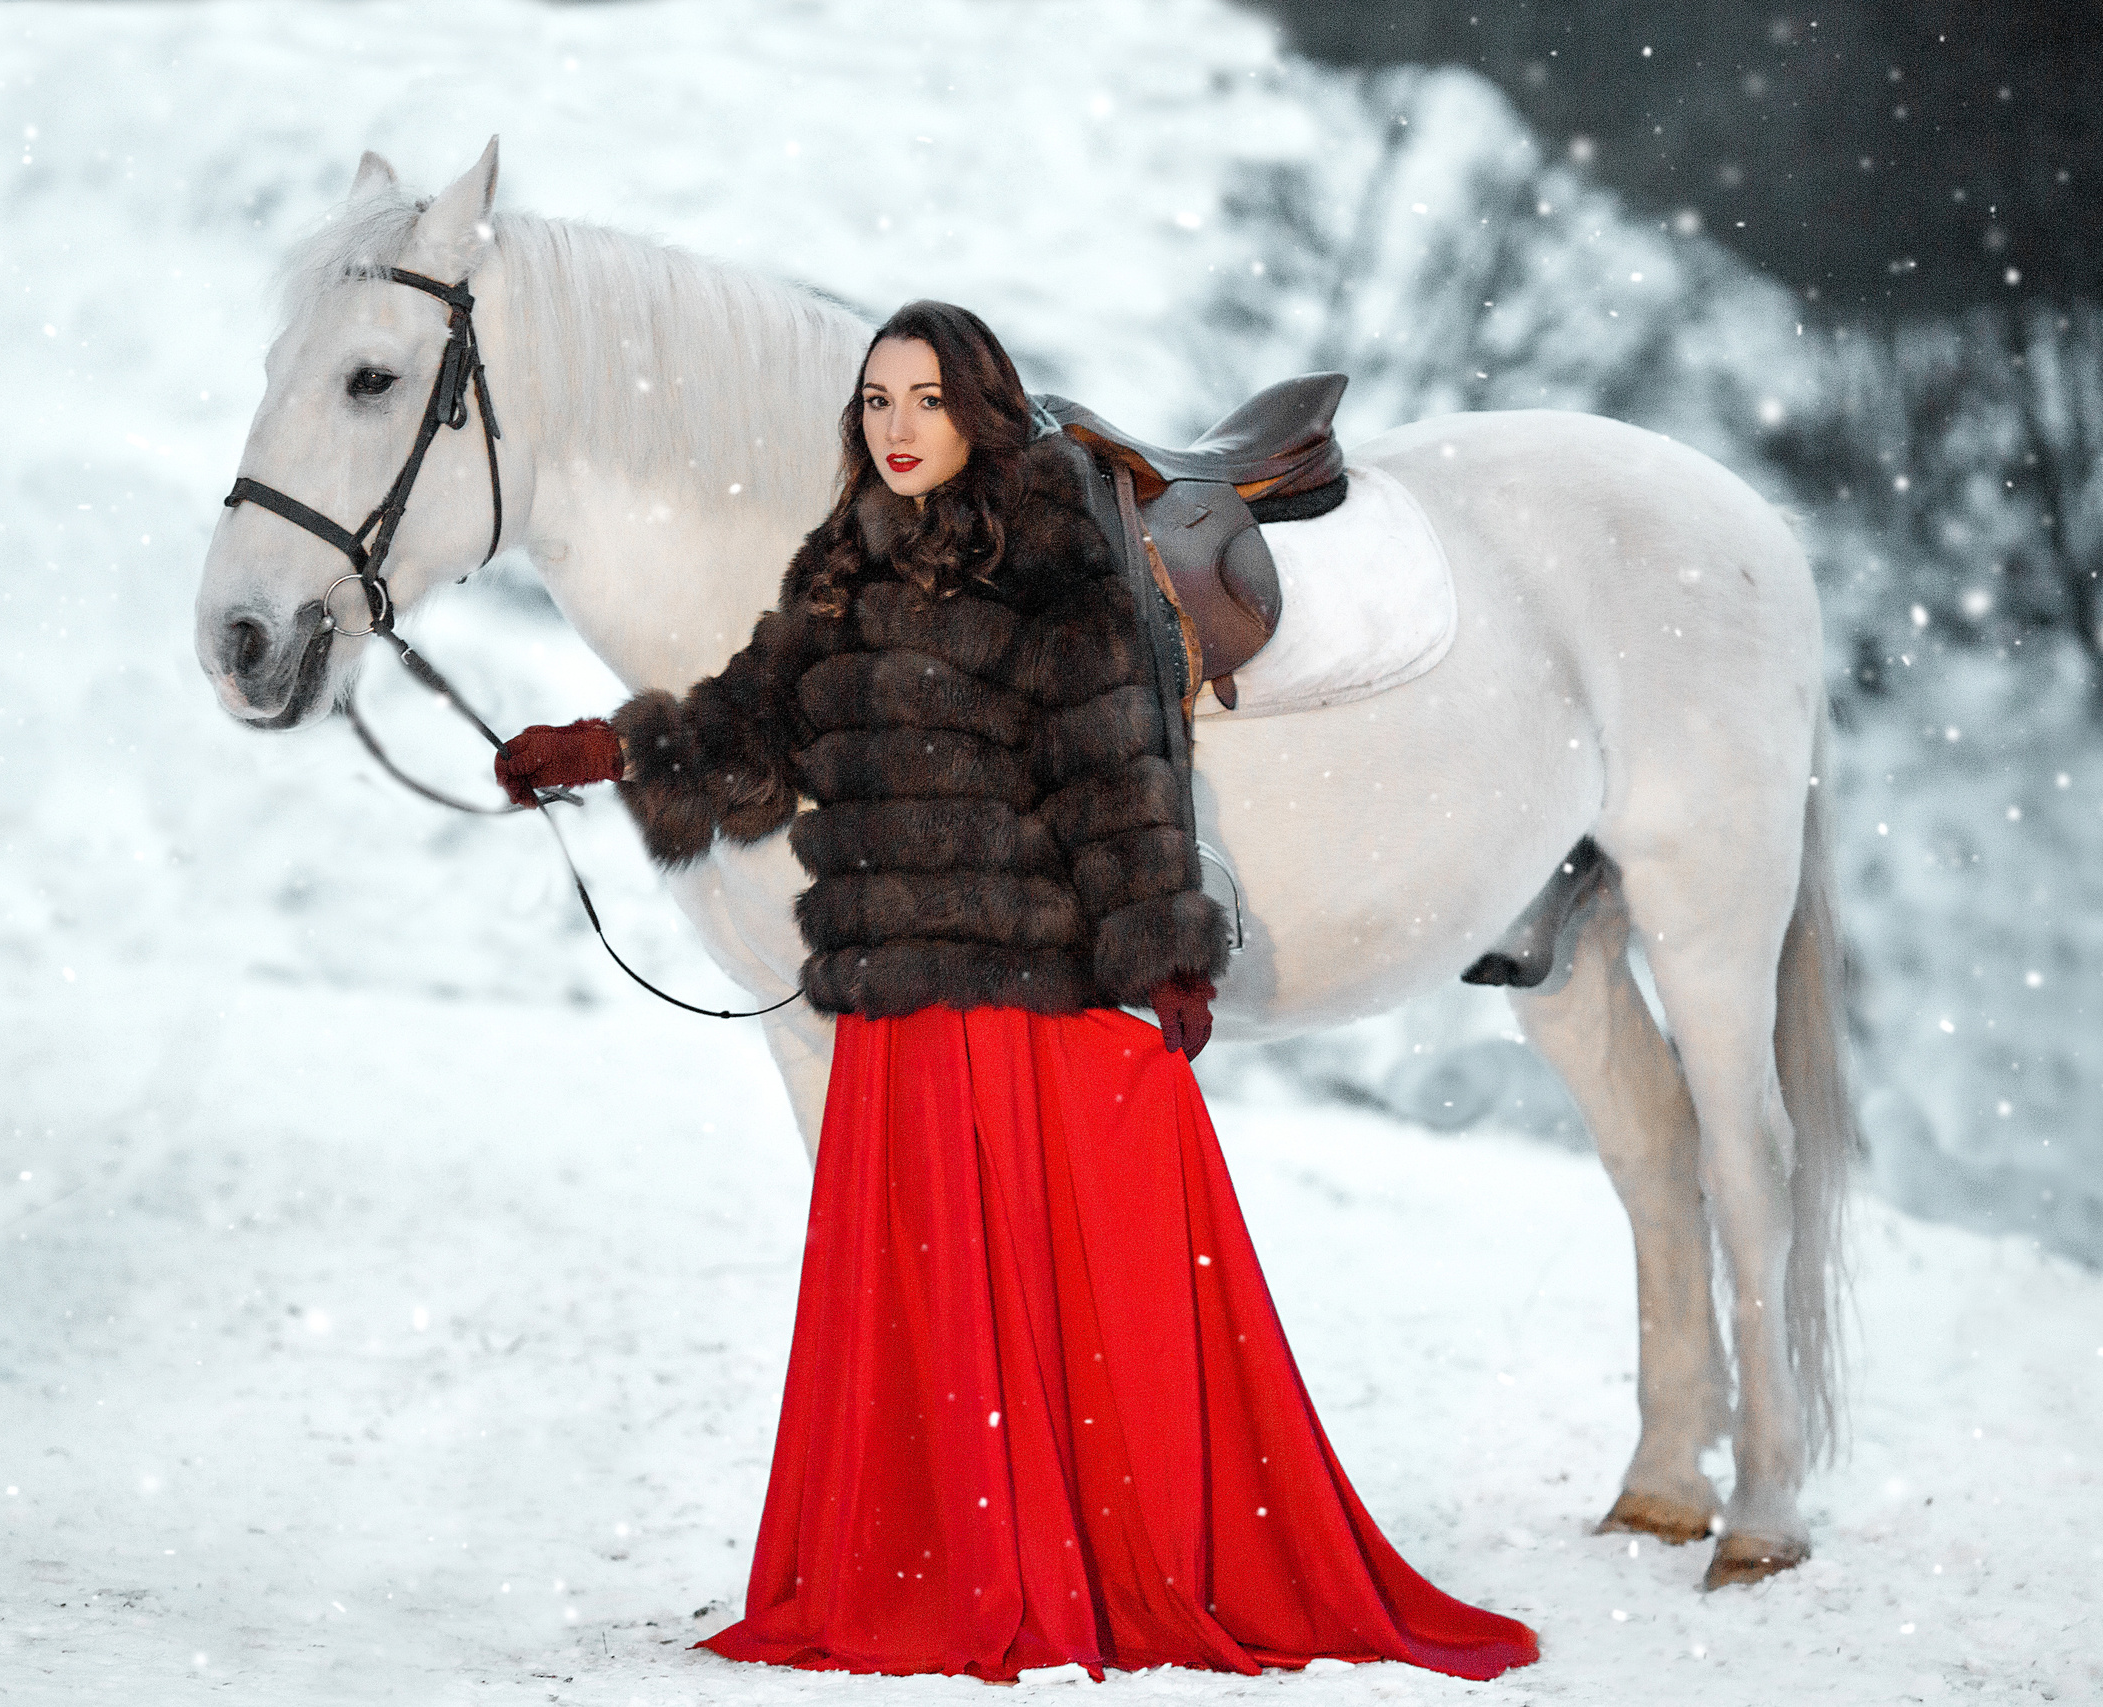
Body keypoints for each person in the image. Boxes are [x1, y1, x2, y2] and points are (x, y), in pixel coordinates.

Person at [493, 302, 1540, 1684]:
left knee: (1087, 1314)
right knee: (924, 1317)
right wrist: (602, 752)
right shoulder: (843, 564)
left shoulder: (1053, 559)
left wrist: (1162, 942)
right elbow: (758, 723)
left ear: (979, 408)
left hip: (1021, 1003)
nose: (897, 429)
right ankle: (941, 1572)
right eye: (876, 402)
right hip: (892, 1008)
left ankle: (1066, 1566)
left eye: (924, 400)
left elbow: (1115, 769)